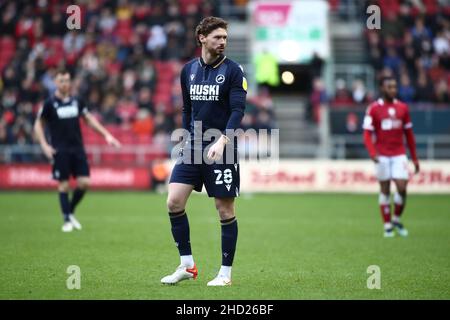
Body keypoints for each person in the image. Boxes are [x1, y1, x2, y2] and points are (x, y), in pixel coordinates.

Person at [161, 17, 247, 286]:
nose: (223, 42)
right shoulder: (188, 71)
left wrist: (223, 140)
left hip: (222, 147)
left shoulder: (234, 71)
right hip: (194, 146)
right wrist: (186, 136)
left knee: (224, 209)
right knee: (174, 202)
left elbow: (238, 111)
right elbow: (187, 108)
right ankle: (187, 266)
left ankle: (225, 273)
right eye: (217, 37)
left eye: (225, 38)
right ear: (202, 37)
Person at [34, 69, 121, 232]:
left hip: (78, 149)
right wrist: (45, 146)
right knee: (64, 185)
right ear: (55, 83)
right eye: (61, 81)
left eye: (67, 80)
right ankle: (66, 220)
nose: (65, 84)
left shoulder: (77, 101)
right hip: (60, 150)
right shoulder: (49, 103)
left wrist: (107, 135)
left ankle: (70, 211)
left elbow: (89, 120)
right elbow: (38, 124)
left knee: (85, 183)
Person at [363, 76, 420, 238]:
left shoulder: (403, 108)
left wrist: (414, 158)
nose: (393, 90)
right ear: (382, 88)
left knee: (402, 188)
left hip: (399, 154)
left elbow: (409, 135)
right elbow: (367, 134)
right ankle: (387, 225)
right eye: (390, 87)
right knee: (385, 189)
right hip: (381, 155)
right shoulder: (373, 109)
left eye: (395, 87)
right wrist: (373, 153)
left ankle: (396, 219)